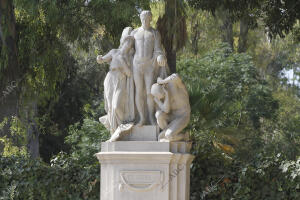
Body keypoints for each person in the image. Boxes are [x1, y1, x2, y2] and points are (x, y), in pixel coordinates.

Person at [131, 10, 168, 126]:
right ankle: (142, 118)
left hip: (149, 65)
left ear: (150, 19)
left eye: (147, 18)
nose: (145, 20)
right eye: (143, 18)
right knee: (138, 91)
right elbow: (127, 49)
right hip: (136, 64)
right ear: (140, 19)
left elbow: (157, 49)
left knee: (149, 92)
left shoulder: (155, 33)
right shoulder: (134, 32)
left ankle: (151, 117)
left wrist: (160, 56)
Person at [97, 27, 135, 134]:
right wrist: (99, 59)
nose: (128, 43)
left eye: (131, 41)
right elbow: (103, 59)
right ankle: (114, 132)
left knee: (116, 106)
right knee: (110, 106)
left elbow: (129, 73)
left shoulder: (131, 57)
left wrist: (123, 63)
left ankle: (122, 128)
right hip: (110, 79)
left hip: (121, 80)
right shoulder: (114, 52)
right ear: (123, 41)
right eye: (127, 40)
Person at [151, 74, 190, 142]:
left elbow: (175, 76)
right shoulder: (164, 96)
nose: (160, 99)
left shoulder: (173, 86)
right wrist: (166, 96)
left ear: (163, 88)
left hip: (183, 116)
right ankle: (167, 132)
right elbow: (166, 110)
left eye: (160, 96)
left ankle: (183, 136)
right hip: (172, 116)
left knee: (169, 135)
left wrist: (162, 81)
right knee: (158, 115)